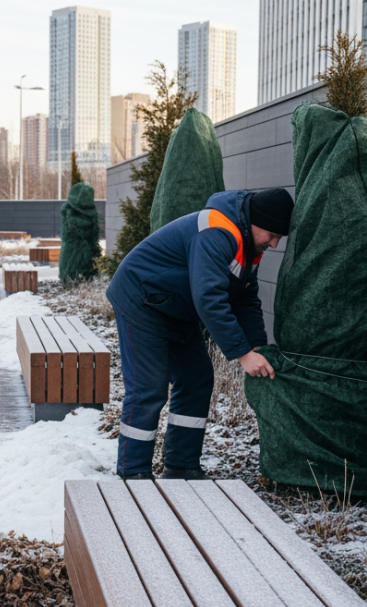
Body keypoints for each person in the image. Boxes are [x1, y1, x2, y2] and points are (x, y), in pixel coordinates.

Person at [106, 188, 294, 480]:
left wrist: (257, 346)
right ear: (255, 220)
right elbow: (209, 297)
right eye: (271, 234)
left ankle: (181, 465)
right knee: (149, 389)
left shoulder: (249, 246)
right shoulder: (217, 232)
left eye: (279, 237)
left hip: (174, 305)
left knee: (196, 379)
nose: (274, 242)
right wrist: (242, 354)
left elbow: (245, 297)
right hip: (140, 299)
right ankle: (133, 475)